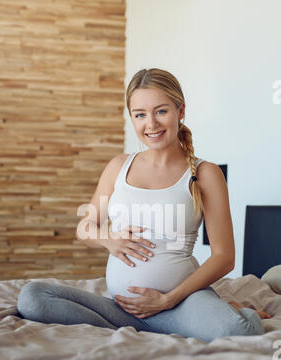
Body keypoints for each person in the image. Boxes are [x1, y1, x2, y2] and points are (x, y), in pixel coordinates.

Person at [17, 68, 268, 343]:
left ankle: (207, 314)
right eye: (140, 114)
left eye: (161, 111)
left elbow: (225, 257)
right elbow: (85, 227)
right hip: (122, 308)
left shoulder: (204, 173)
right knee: (33, 298)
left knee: (240, 330)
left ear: (180, 110)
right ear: (132, 117)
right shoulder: (117, 167)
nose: (151, 124)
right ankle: (154, 323)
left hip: (180, 302)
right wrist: (109, 240)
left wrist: (167, 299)